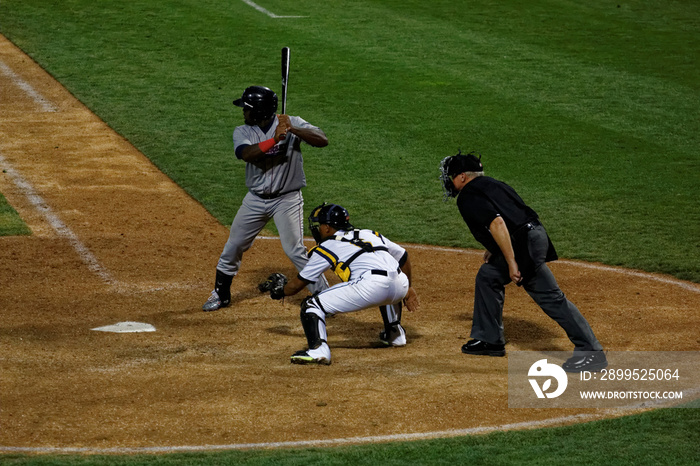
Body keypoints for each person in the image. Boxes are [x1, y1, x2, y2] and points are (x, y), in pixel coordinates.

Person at [439, 151, 607, 373]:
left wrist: (511, 262)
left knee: (551, 297)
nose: (450, 182)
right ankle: (490, 340)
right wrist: (496, 249)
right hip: (533, 235)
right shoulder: (494, 184)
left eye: (452, 177)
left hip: (523, 245)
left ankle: (591, 352)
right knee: (488, 276)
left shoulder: (468, 194)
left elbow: (497, 223)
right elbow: (512, 215)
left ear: (462, 177)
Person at [202, 85, 329, 311]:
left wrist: (293, 130)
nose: (243, 112)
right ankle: (221, 294)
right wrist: (274, 140)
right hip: (256, 200)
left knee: (295, 250)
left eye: (247, 108)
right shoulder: (242, 131)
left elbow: (322, 139)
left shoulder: (291, 121)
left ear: (260, 111)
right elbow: (246, 154)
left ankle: (323, 297)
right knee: (234, 245)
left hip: (287, 200)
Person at [265, 203, 420, 365]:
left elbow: (297, 285)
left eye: (319, 225)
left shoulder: (327, 246)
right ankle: (395, 333)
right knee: (388, 279)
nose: (317, 229)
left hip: (373, 286)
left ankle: (318, 350)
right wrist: (408, 288)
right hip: (400, 284)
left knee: (312, 304)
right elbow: (403, 256)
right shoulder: (368, 233)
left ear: (326, 227)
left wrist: (280, 290)